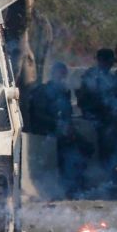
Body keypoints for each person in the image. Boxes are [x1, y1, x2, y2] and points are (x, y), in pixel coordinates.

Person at [77, 46, 117, 197]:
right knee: (105, 151)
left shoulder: (108, 77)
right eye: (108, 61)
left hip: (108, 120)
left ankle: (111, 179)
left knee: (113, 149)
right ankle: (105, 181)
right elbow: (85, 99)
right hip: (98, 120)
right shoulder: (92, 77)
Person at [30, 62, 82, 197]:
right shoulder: (43, 91)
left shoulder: (65, 91)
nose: (63, 76)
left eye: (64, 73)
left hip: (62, 132)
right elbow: (39, 114)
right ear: (53, 73)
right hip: (45, 133)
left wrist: (68, 127)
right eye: (60, 73)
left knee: (77, 151)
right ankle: (53, 190)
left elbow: (68, 113)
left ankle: (70, 187)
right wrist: (57, 124)